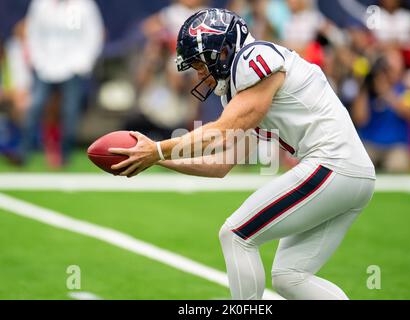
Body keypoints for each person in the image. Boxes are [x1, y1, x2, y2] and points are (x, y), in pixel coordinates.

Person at [109, 8, 376, 300]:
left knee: (236, 235)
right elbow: (220, 163)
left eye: (200, 65)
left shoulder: (255, 60)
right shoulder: (240, 87)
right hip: (349, 173)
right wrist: (158, 158)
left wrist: (159, 147)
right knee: (290, 277)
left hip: (332, 165)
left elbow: (221, 131)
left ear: (222, 53)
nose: (200, 75)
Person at [23, 0, 104, 166]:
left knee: (70, 110)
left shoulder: (85, 6)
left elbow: (94, 34)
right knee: (36, 106)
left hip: (72, 66)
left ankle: (64, 154)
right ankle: (24, 151)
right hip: (44, 65)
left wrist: (83, 63)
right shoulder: (40, 4)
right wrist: (37, 60)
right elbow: (33, 32)